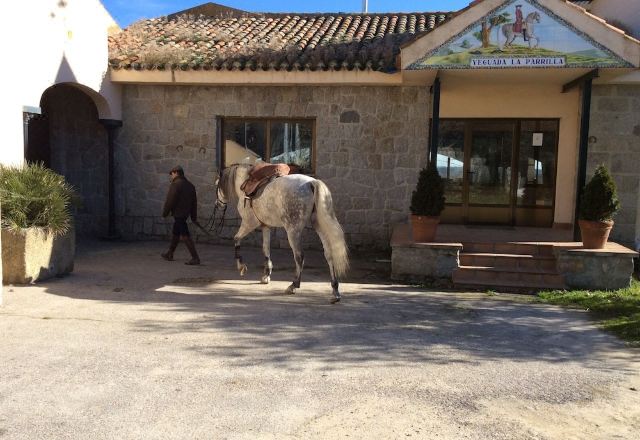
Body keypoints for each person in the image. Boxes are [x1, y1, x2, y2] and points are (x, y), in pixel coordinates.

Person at [161, 165, 200, 265]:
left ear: (176, 173)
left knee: (185, 235)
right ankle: (170, 253)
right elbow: (194, 203)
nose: (171, 176)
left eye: (171, 174)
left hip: (179, 214)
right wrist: (193, 217)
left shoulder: (176, 184)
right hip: (184, 214)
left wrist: (165, 213)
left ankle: (195, 257)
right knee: (176, 233)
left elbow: (170, 200)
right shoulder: (190, 186)